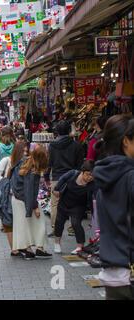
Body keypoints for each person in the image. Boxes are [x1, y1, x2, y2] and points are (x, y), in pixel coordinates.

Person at [93, 115, 134, 300]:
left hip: (113, 273)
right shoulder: (129, 176)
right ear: (126, 142)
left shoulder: (105, 176)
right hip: (129, 270)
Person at [10, 145, 52, 260]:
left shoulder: (25, 161)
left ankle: (29, 248)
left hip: (17, 198)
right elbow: (29, 190)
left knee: (24, 225)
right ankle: (37, 248)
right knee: (39, 221)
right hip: (24, 199)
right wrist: (34, 207)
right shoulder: (33, 170)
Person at [45, 120, 84, 237]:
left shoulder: (52, 145)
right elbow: (80, 163)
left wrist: (47, 176)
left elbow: (49, 163)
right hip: (73, 178)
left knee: (55, 204)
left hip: (57, 177)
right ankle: (72, 228)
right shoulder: (77, 145)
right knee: (73, 203)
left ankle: (55, 229)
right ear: (69, 130)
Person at [0, 141, 28, 256]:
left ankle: (21, 246)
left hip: (20, 196)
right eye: (23, 151)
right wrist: (8, 183)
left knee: (20, 222)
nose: (25, 153)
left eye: (27, 151)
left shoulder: (26, 162)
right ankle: (14, 249)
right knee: (9, 222)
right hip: (8, 195)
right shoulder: (7, 160)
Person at [52, 160, 95, 255]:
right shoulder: (73, 174)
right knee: (59, 222)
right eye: (88, 174)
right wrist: (56, 189)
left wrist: (94, 214)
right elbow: (62, 179)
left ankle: (80, 246)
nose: (90, 177)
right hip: (64, 202)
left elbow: (93, 200)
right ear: (83, 171)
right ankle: (57, 243)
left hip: (78, 206)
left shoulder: (92, 184)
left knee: (76, 223)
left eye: (92, 175)